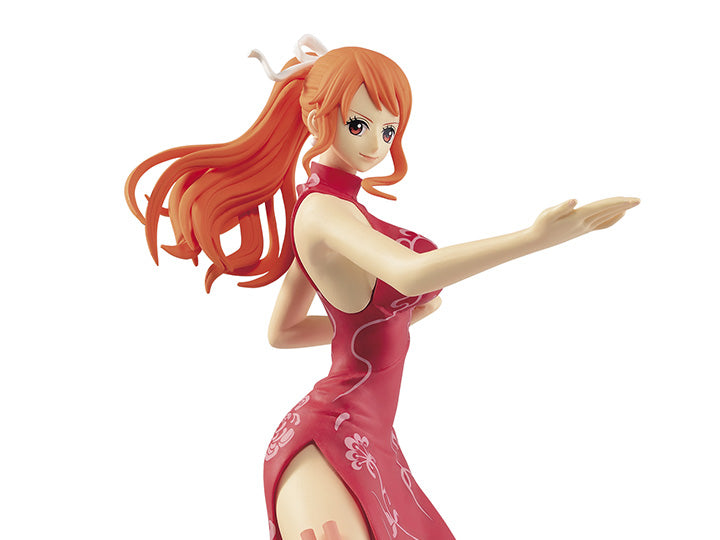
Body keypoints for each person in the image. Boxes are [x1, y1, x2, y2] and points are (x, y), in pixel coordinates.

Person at [126, 35, 639, 540]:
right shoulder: (323, 211)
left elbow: (283, 332)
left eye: (389, 130)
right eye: (358, 125)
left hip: (371, 437)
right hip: (332, 437)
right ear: (317, 120)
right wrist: (533, 239)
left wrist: (378, 323)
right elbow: (411, 274)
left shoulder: (337, 209)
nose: (376, 146)